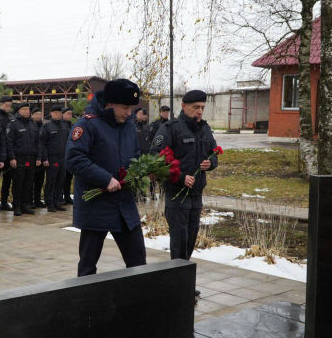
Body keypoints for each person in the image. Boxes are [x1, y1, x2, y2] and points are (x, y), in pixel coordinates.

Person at [66, 79, 146, 277]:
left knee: (138, 262)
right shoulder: (87, 124)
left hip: (124, 206)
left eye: (132, 108)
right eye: (125, 107)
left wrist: (139, 173)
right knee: (88, 266)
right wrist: (105, 179)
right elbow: (74, 159)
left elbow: (135, 154)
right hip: (96, 206)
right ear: (110, 103)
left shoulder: (128, 125)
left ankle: (139, 302)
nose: (129, 113)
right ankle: (85, 303)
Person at [149, 90, 218, 296]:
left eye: (202, 108)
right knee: (179, 239)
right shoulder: (170, 129)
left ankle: (183, 282)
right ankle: (177, 285)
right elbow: (156, 159)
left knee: (190, 239)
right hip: (176, 194)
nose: (199, 112)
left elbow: (214, 153)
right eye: (195, 107)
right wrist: (180, 177)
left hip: (196, 195)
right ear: (183, 106)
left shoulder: (205, 130)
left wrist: (210, 163)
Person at [6, 102, 41, 216]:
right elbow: (9, 143)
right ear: (19, 111)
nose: (27, 111)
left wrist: (38, 157)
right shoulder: (13, 124)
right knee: (18, 183)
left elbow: (38, 142)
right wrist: (12, 158)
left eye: (28, 109)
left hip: (31, 158)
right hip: (19, 158)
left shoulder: (33, 124)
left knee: (28, 183)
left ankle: (25, 205)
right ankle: (17, 206)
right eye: (24, 109)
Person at [40, 105, 70, 212]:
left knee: (60, 181)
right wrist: (45, 158)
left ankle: (58, 202)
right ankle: (49, 202)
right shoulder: (47, 126)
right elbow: (42, 144)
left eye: (59, 112)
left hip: (63, 158)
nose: (58, 114)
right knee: (51, 181)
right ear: (51, 114)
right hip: (52, 158)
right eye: (55, 113)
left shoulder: (65, 125)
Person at [0, 95, 15, 211]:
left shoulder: (12, 117)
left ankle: (4, 201)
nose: (9, 108)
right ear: (1, 104)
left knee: (7, 179)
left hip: (9, 153)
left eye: (10, 106)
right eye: (7, 105)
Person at [31, 108, 46, 208]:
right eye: (36, 114)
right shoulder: (30, 125)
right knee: (30, 181)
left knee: (39, 181)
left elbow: (44, 143)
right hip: (31, 157)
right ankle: (29, 200)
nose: (38, 116)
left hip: (41, 157)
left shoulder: (44, 126)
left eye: (40, 114)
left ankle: (37, 200)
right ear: (32, 115)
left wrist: (43, 158)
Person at [62, 107, 74, 205]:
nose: (69, 116)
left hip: (70, 155)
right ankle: (60, 196)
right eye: (68, 114)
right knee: (62, 178)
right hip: (61, 155)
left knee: (69, 177)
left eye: (71, 114)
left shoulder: (72, 125)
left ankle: (67, 195)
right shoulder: (61, 125)